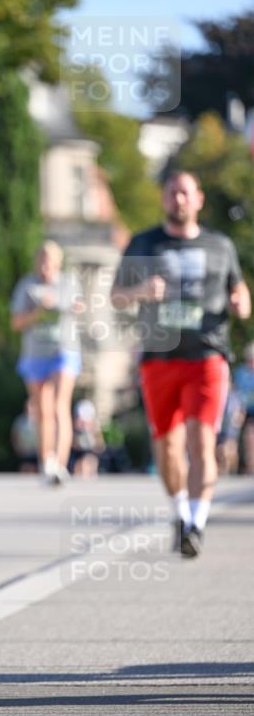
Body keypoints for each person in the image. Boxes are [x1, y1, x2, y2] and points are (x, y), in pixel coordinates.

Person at [111, 170, 251, 557]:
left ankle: (196, 523)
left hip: (207, 355)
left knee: (201, 440)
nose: (179, 200)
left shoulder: (220, 245)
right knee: (168, 447)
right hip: (159, 358)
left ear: (199, 199)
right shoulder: (144, 243)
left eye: (185, 193)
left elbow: (238, 288)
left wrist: (242, 301)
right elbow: (116, 296)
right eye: (172, 193)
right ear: (164, 199)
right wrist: (140, 291)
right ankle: (179, 512)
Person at [10, 240, 83, 484]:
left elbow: (79, 307)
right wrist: (39, 311)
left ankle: (60, 465)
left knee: (60, 404)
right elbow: (16, 323)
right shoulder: (27, 286)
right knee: (43, 409)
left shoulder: (68, 283)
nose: (45, 266)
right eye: (41, 260)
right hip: (35, 353)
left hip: (64, 349)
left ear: (58, 262)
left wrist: (70, 306)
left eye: (50, 261)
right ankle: (46, 463)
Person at [232, 341, 254, 474]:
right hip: (243, 409)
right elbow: (236, 392)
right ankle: (243, 465)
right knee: (242, 436)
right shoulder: (240, 372)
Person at [69, 399, 104, 478]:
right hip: (76, 455)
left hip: (90, 454)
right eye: (81, 422)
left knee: (90, 459)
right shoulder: (71, 432)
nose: (84, 425)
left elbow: (101, 447)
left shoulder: (96, 431)